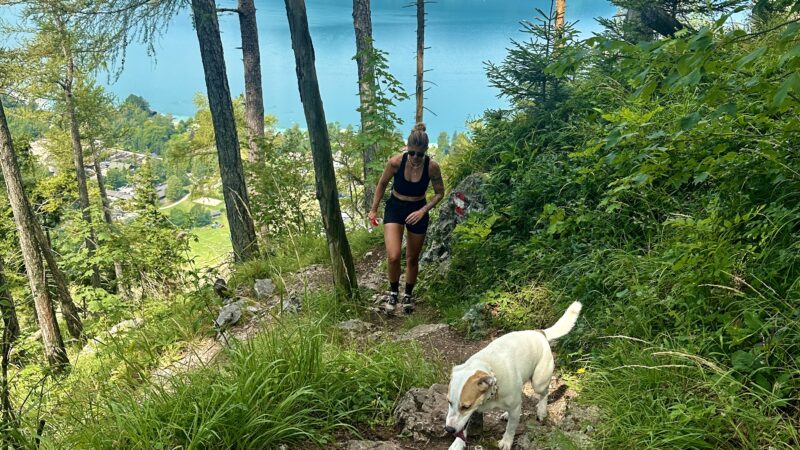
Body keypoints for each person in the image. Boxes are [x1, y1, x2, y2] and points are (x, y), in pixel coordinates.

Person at [368, 123, 445, 314]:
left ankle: (408, 295)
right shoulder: (395, 162)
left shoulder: (432, 167)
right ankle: (393, 292)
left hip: (418, 209)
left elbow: (439, 193)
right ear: (407, 149)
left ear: (426, 151)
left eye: (420, 154)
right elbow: (382, 183)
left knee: (412, 257)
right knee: (393, 255)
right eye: (412, 153)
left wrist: (423, 210)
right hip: (395, 207)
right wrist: (374, 209)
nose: (415, 158)